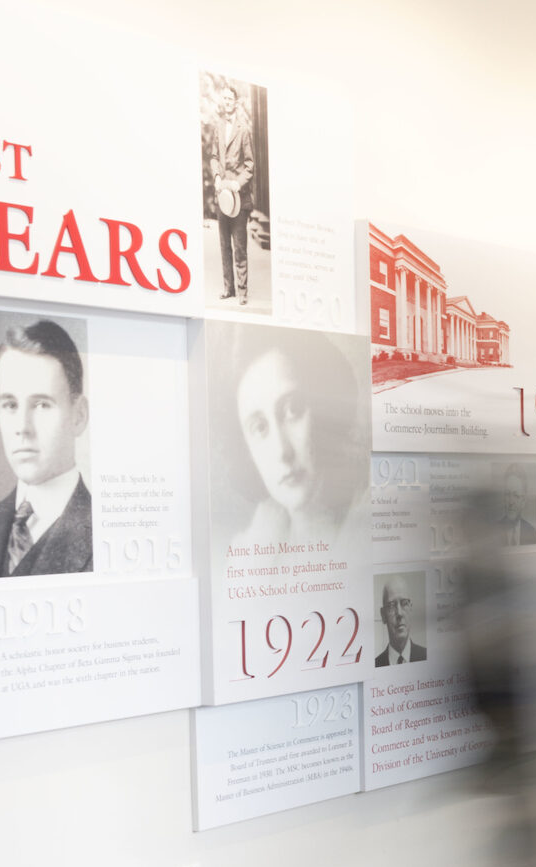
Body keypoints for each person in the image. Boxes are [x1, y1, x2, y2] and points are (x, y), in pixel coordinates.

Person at [221, 329, 365, 550]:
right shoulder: (255, 550)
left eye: (293, 410)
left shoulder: (366, 529)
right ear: (246, 450)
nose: (281, 451)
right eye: (259, 427)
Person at [0, 318, 93, 577]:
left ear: (78, 416)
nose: (22, 427)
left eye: (41, 405)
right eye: (10, 405)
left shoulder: (101, 530)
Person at [207, 83, 256, 303]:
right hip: (222, 199)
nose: (226, 102)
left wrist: (238, 183)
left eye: (230, 99)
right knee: (224, 245)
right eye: (224, 98)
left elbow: (250, 165)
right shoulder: (217, 127)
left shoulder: (244, 130)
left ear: (235, 102)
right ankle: (229, 288)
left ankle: (243, 292)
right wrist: (217, 176)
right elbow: (214, 157)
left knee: (239, 246)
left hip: (239, 198)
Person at [373, 575, 427, 667]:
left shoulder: (425, 656)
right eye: (391, 605)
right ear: (383, 615)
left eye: (404, 603)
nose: (399, 613)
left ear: (411, 608)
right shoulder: (376, 664)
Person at [495, 465, 536, 546]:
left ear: (524, 501)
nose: (511, 502)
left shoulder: (532, 533)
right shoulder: (493, 532)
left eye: (516, 495)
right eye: (507, 494)